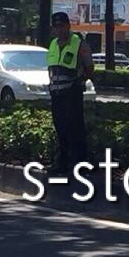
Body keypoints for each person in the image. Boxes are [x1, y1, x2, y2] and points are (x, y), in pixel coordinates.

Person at [47, 12, 94, 174]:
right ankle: (61, 163)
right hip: (56, 94)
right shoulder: (53, 44)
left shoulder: (79, 44)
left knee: (75, 129)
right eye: (56, 27)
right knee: (60, 129)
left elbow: (89, 68)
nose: (59, 30)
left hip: (72, 94)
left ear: (68, 26)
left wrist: (79, 82)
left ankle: (79, 165)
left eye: (62, 26)